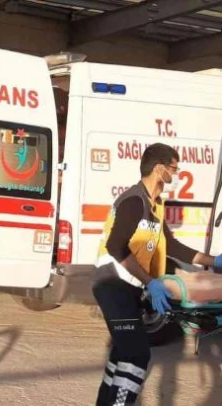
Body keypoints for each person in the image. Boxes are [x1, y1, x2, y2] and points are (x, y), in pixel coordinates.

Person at [92, 142, 222, 405]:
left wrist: (214, 261)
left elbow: (171, 246)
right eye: (174, 169)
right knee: (137, 354)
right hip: (111, 283)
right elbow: (115, 246)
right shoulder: (134, 201)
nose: (176, 175)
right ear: (160, 169)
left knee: (123, 352)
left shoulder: (155, 204)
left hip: (128, 286)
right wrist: (150, 282)